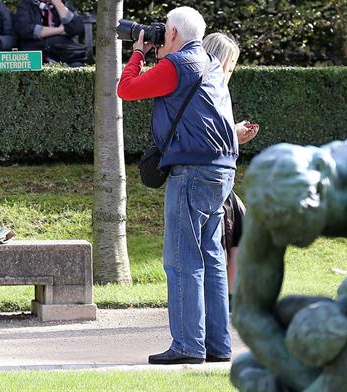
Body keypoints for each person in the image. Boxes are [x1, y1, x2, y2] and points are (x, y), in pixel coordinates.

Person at [117, 7, 238, 364]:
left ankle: (188, 346)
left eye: (162, 33)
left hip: (192, 172)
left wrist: (138, 52)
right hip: (222, 170)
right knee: (212, 258)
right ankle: (218, 346)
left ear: (171, 34)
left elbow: (127, 89)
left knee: (182, 259)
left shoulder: (176, 65)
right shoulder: (211, 64)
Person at [231, 140, 347, 390]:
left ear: (319, 188)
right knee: (246, 369)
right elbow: (249, 313)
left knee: (324, 326)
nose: (279, 240)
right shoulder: (271, 197)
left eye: (286, 223)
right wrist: (306, 381)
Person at [202, 32, 260, 309]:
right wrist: (233, 133)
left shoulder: (217, 89)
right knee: (228, 235)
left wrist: (237, 135)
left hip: (221, 175)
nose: (230, 72)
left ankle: (232, 297)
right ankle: (225, 299)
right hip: (209, 176)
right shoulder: (206, 88)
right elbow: (206, 136)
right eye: (229, 65)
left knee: (241, 228)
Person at [13, 0, 86, 67]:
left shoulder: (64, 4)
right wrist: (60, 30)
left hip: (63, 54)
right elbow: (24, 29)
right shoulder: (26, 4)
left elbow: (77, 28)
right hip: (35, 54)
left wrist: (58, 3)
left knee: (77, 66)